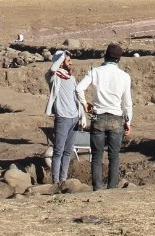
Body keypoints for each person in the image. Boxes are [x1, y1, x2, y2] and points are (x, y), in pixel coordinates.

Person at [77, 44, 133, 190]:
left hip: (98, 118)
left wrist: (84, 104)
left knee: (97, 156)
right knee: (114, 156)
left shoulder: (95, 72)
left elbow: (79, 88)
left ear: (105, 56)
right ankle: (112, 189)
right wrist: (128, 121)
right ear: (119, 59)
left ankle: (97, 188)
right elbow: (127, 103)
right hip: (116, 118)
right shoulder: (125, 76)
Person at [46, 51, 82, 184]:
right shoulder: (53, 77)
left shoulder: (71, 78)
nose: (71, 63)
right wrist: (62, 56)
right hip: (63, 118)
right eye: (68, 60)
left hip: (74, 118)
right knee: (58, 151)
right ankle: (56, 182)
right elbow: (52, 69)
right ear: (61, 63)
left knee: (68, 151)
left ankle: (64, 179)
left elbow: (76, 98)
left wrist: (81, 116)